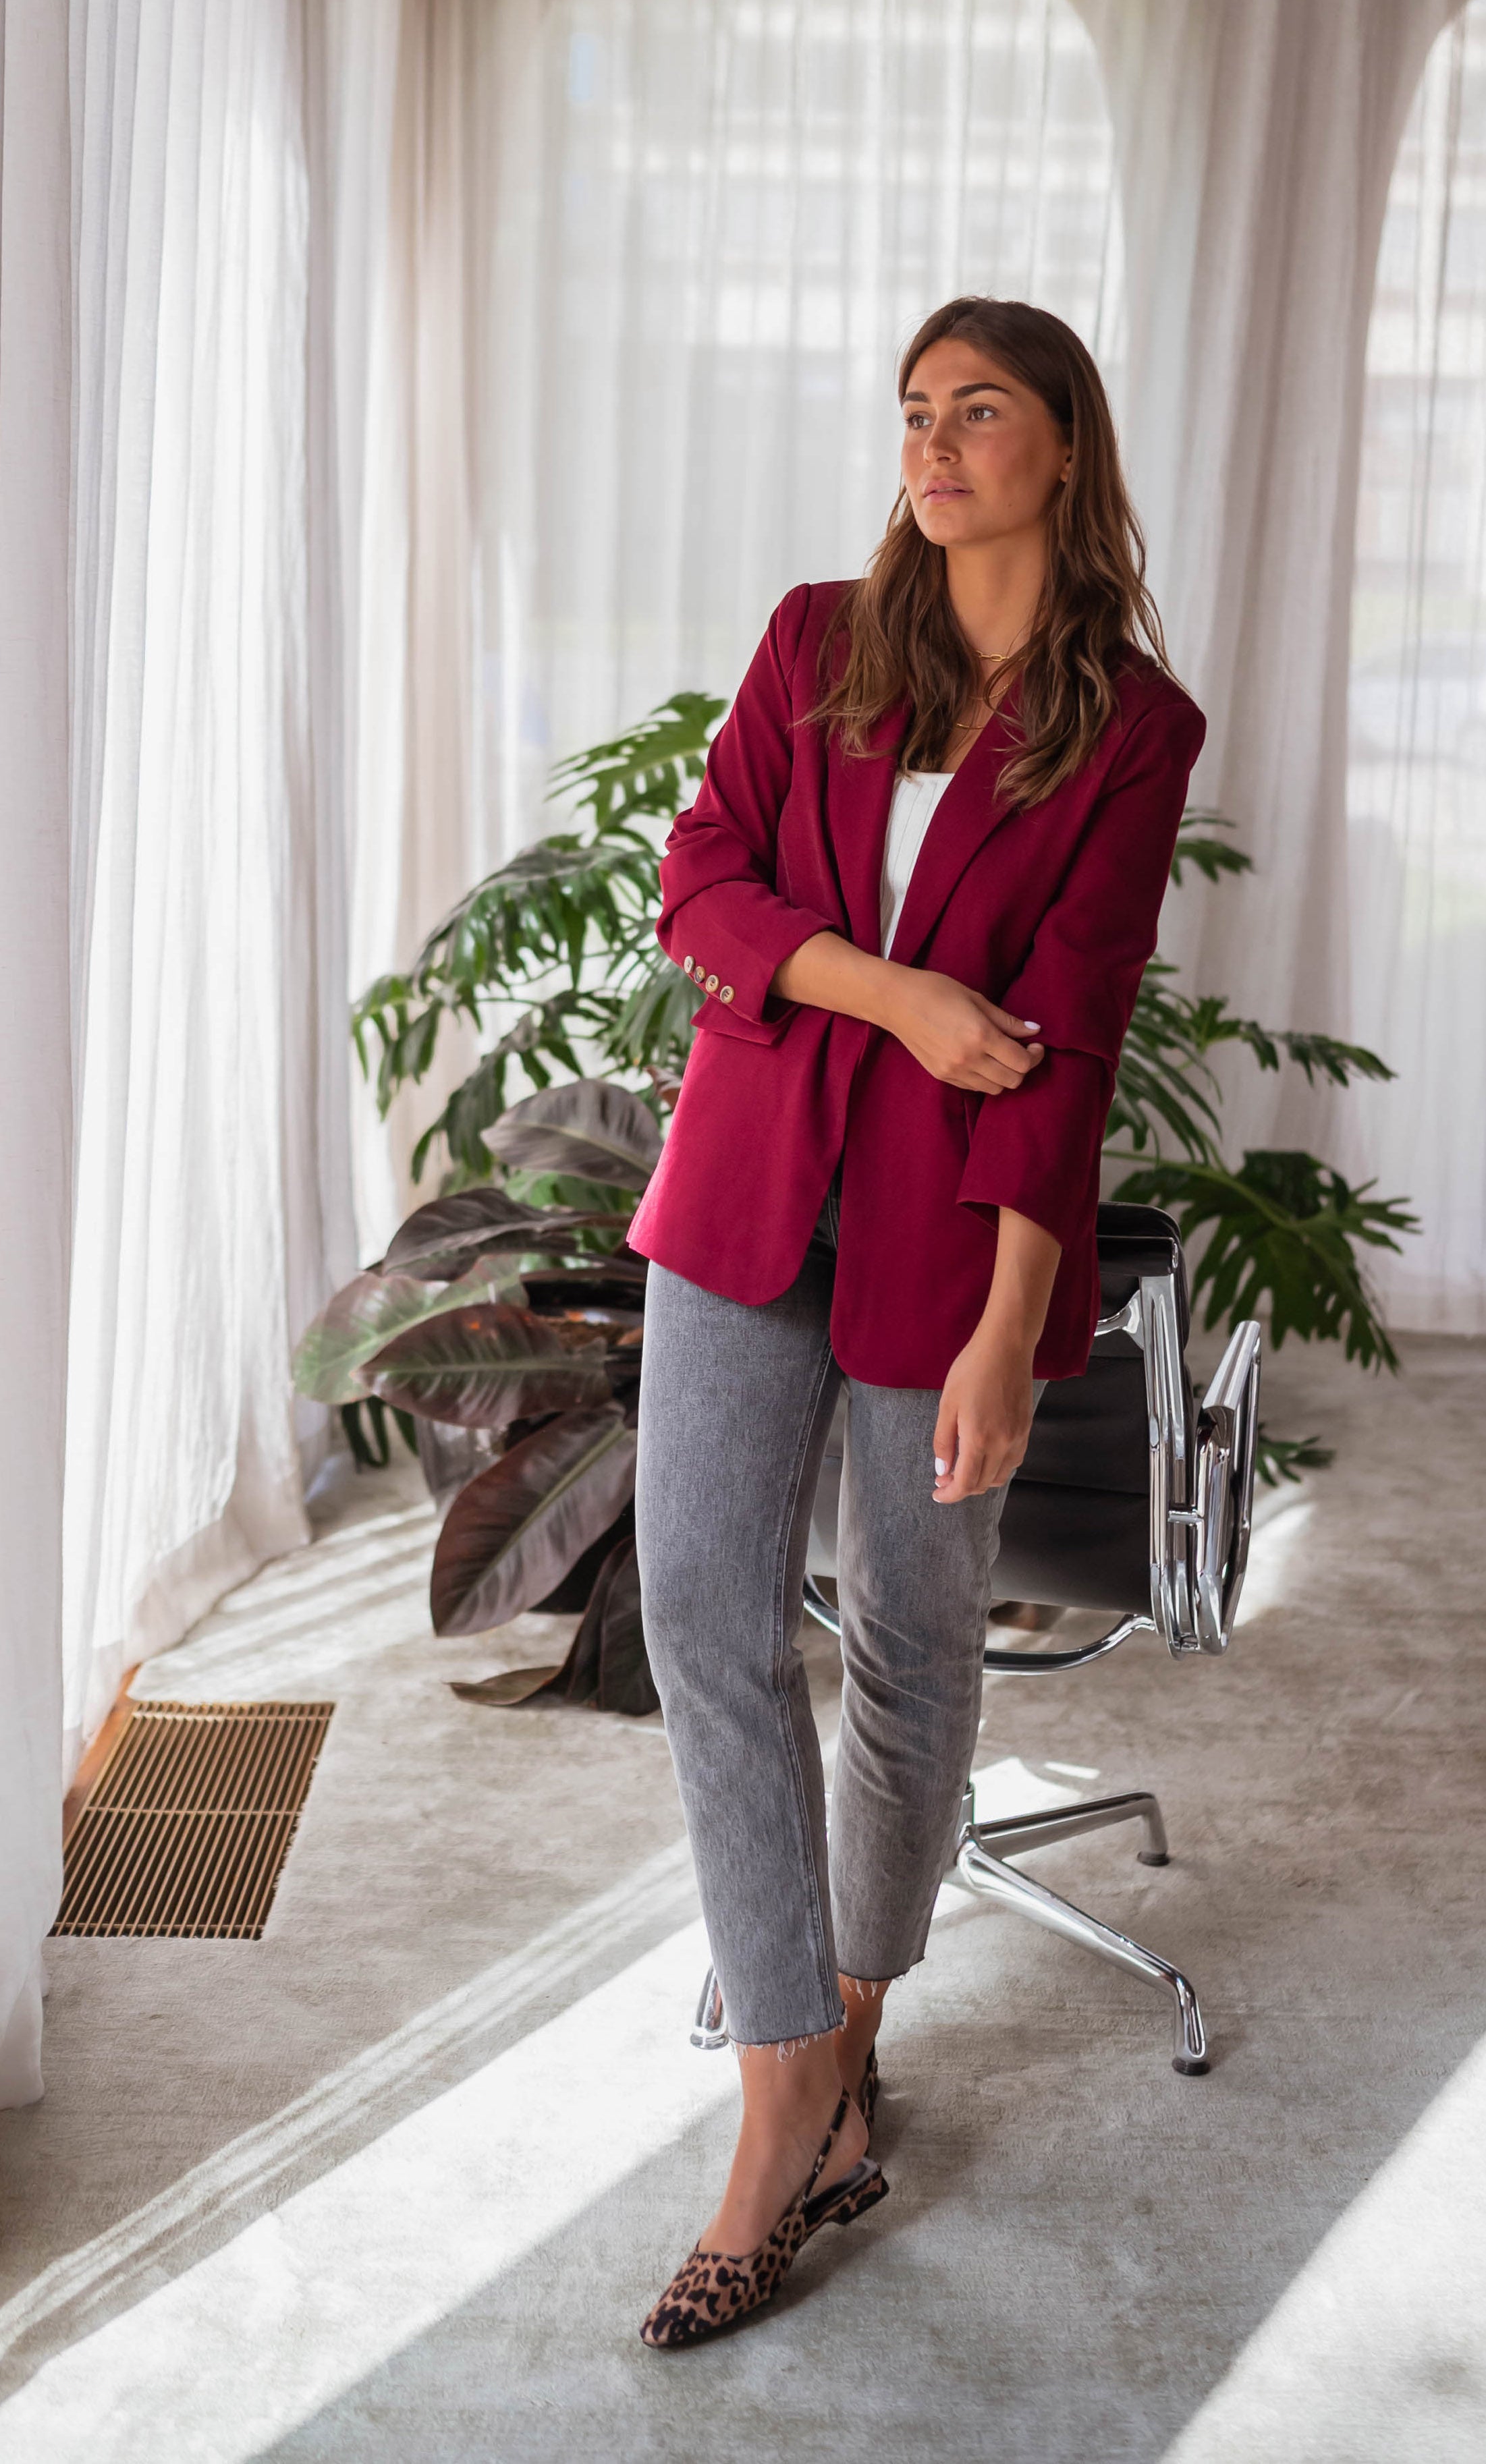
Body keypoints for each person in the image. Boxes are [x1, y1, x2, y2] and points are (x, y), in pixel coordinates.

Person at [627, 296, 1205, 2348]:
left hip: (943, 1251)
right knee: (699, 1601)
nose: (931, 443)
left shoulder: (1132, 731)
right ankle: (789, 2077)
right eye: (911, 412)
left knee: (907, 1634)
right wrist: (892, 997)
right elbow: (701, 886)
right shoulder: (815, 643)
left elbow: (1073, 1046)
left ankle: (842, 2039)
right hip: (743, 1198)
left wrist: (1006, 1326)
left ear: (1063, 448)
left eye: (976, 412)